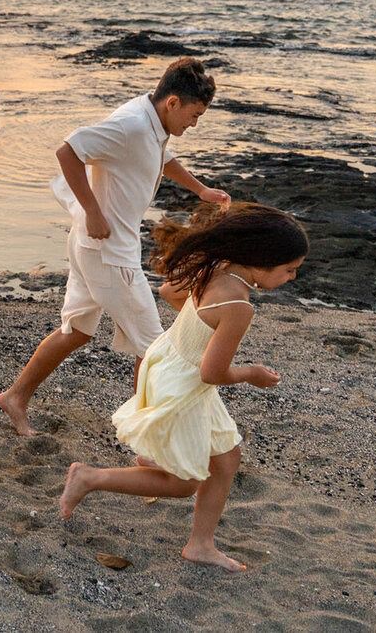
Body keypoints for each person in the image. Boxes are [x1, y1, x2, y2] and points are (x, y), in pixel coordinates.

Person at [58, 202, 307, 573]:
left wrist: (194, 331)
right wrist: (252, 373)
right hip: (185, 383)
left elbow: (168, 292)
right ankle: (89, 478)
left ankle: (200, 544)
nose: (292, 278)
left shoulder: (216, 267)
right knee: (183, 483)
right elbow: (212, 373)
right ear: (260, 260)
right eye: (289, 270)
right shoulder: (239, 305)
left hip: (168, 363)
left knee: (226, 456)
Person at [0, 57, 231, 436]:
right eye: (195, 114)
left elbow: (160, 158)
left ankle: (15, 396)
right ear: (173, 103)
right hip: (107, 250)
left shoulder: (151, 122)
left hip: (94, 246)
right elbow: (68, 151)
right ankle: (149, 438)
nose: (195, 122)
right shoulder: (131, 124)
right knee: (154, 348)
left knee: (77, 331)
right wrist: (93, 210)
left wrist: (200, 189)